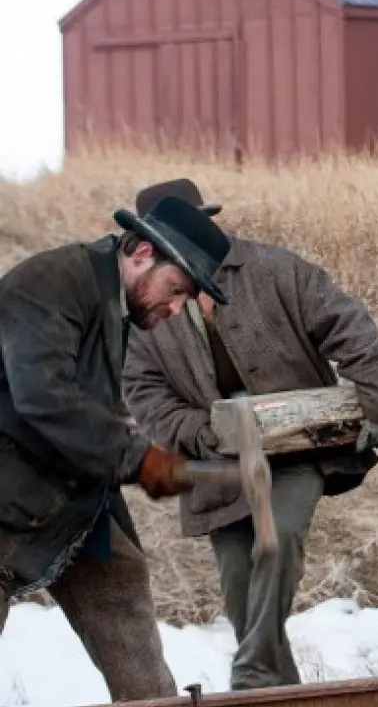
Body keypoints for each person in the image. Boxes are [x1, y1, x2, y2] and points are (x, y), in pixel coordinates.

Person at [121, 178, 378, 691]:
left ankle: (250, 676)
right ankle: (278, 692)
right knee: (242, 595)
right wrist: (199, 432)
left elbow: (344, 321)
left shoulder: (273, 268)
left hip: (297, 450)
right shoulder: (146, 308)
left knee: (278, 543)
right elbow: (144, 393)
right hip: (215, 468)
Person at [0, 193, 232, 700]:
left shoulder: (115, 304)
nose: (176, 308)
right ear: (143, 253)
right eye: (176, 289)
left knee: (120, 576)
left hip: (69, 506)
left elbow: (92, 414)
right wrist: (139, 459)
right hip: (6, 500)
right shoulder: (51, 283)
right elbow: (45, 397)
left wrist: (118, 512)